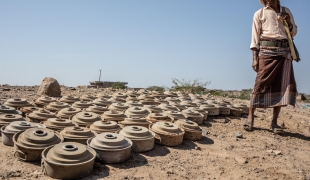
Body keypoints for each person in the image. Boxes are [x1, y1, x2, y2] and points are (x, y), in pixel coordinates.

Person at [244, 0, 298, 134]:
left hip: (284, 53)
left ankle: (274, 123)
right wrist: (254, 58)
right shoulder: (259, 13)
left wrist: (288, 22)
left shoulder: (286, 11)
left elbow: (294, 32)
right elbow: (255, 38)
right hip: (266, 52)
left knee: (282, 85)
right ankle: (250, 118)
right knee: (260, 83)